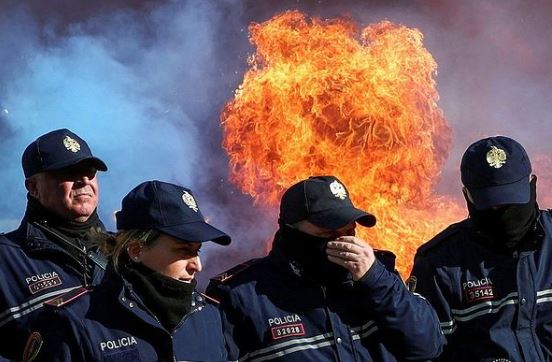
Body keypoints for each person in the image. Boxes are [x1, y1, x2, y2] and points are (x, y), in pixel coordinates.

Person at [207, 175, 445, 361]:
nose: (343, 243)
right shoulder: (241, 294)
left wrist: (377, 282)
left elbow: (428, 346)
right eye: (328, 234)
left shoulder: (378, 276)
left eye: (349, 233)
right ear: (291, 230)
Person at [25, 180, 232, 361]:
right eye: (183, 250)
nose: (197, 264)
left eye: (197, 251)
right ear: (136, 250)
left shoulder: (209, 316)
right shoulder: (74, 321)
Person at [410, 135, 552, 361]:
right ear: (467, 195)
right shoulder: (439, 264)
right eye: (493, 204)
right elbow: (427, 350)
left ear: (532, 184)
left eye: (512, 201)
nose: (505, 213)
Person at [0, 128, 108, 360]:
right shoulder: (5, 261)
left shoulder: (125, 253)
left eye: (90, 171)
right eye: (69, 172)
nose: (84, 180)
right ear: (33, 188)